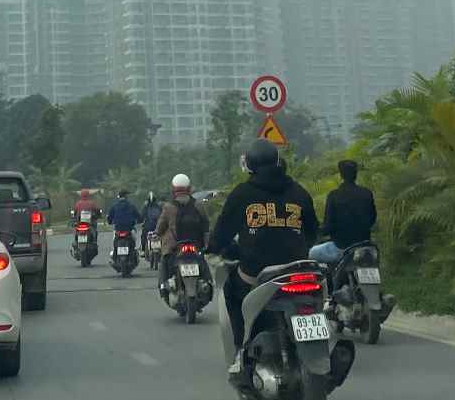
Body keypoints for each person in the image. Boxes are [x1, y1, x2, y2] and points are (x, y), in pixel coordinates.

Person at [210, 140, 319, 380]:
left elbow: (220, 235)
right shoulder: (299, 191)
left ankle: (240, 353)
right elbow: (312, 231)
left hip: (257, 271)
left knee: (231, 291)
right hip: (296, 269)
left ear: (248, 165)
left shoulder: (242, 193)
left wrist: (220, 248)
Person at [311, 159, 377, 266]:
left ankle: (328, 281)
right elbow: (372, 218)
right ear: (356, 174)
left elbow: (328, 225)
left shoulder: (334, 195)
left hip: (340, 247)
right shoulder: (367, 193)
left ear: (341, 175)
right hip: (364, 246)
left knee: (312, 253)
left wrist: (319, 232)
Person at [154, 173, 208, 292]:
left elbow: (161, 225)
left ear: (173, 189)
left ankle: (163, 285)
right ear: (189, 188)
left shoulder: (169, 207)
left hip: (174, 246)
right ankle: (208, 282)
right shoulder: (198, 204)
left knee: (164, 260)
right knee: (202, 260)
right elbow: (205, 223)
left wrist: (157, 233)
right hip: (196, 244)